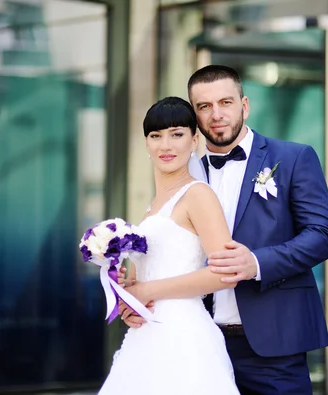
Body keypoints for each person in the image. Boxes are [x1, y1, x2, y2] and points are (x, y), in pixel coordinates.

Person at [122, 65, 328, 394]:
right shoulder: (183, 174)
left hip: (274, 343)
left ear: (245, 105)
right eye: (204, 107)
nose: (216, 114)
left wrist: (256, 262)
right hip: (197, 340)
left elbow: (323, 235)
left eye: (226, 102)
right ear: (194, 117)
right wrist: (140, 301)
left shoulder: (293, 158)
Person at [99, 96, 240, 394]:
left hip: (182, 336)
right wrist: (130, 300)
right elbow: (144, 276)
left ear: (194, 140)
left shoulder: (198, 194)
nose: (166, 145)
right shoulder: (152, 206)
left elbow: (223, 273)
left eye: (177, 134)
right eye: (156, 136)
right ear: (146, 144)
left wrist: (147, 291)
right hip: (146, 336)